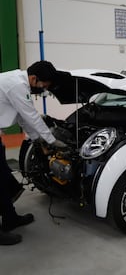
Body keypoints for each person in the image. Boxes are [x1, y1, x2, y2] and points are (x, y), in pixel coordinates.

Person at [0, 60, 67, 245]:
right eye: (44, 85)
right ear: (33, 78)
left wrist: (37, 139)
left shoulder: (18, 83)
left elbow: (22, 119)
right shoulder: (17, 86)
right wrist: (52, 141)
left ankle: (10, 219)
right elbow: (32, 117)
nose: (44, 89)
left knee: (4, 177)